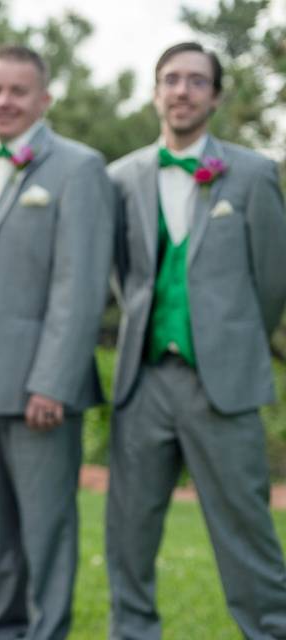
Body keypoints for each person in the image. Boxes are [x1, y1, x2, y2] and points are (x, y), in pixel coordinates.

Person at [105, 41, 286, 639]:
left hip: (223, 385)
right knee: (128, 535)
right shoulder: (121, 177)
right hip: (144, 380)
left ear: (214, 94)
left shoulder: (256, 173)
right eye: (171, 79)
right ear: (156, 90)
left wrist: (230, 345)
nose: (182, 91)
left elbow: (272, 282)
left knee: (247, 534)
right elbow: (122, 275)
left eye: (195, 81)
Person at [0, 44, 114, 639]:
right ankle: (0, 630)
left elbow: (80, 284)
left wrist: (53, 381)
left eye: (18, 91)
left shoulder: (79, 168)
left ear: (44, 98)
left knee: (47, 530)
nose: (3, 102)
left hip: (40, 388)